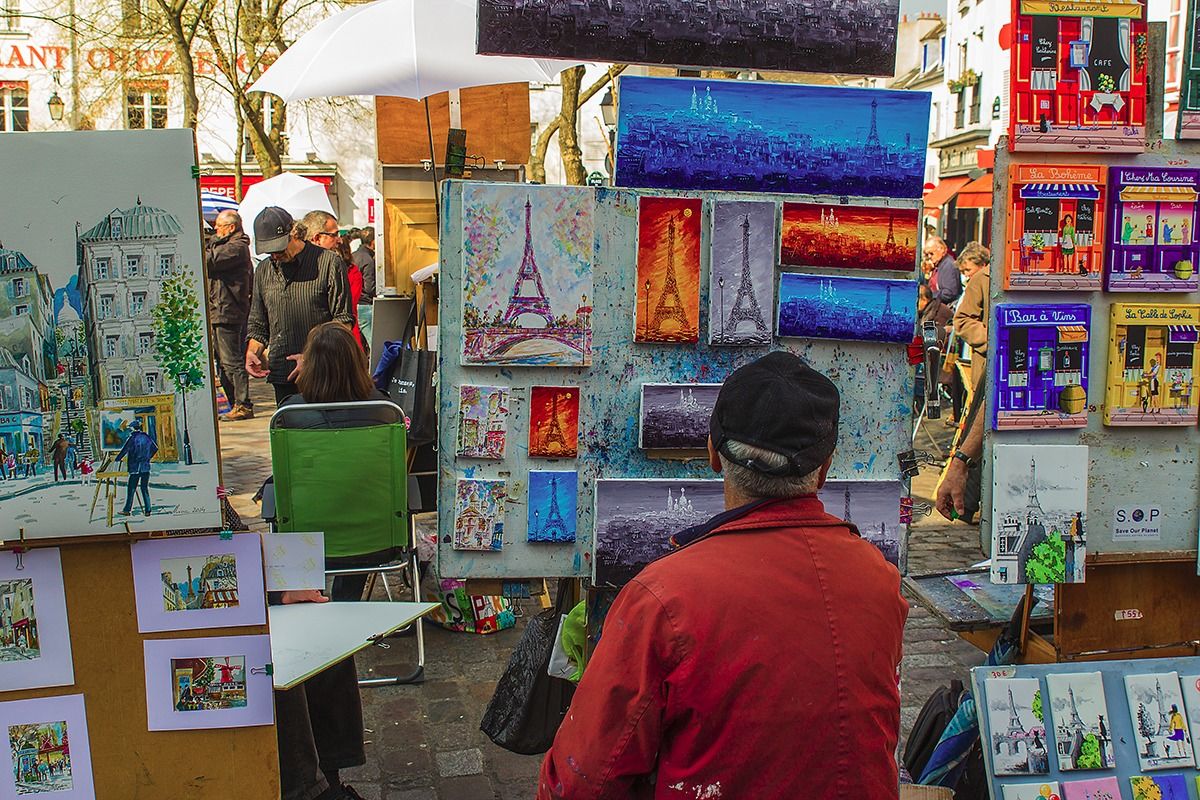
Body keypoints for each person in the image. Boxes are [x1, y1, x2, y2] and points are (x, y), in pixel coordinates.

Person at [537, 352, 907, 799]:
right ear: (824, 469)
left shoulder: (663, 597)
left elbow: (580, 782)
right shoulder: (880, 581)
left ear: (712, 452)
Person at [273, 323, 383, 800]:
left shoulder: (291, 417)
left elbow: (284, 494)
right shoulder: (382, 412)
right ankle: (334, 763)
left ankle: (324, 769)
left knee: (310, 632)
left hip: (309, 546)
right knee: (332, 632)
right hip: (370, 540)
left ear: (310, 367)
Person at [246, 207, 354, 405]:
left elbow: (343, 321)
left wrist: (311, 357)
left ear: (294, 232)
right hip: (283, 375)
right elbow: (258, 324)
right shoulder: (263, 270)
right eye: (269, 251)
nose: (275, 255)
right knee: (289, 432)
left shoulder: (329, 263)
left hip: (325, 373)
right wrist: (253, 352)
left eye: (279, 248)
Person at [206, 210, 256, 422]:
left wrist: (211, 241)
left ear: (232, 227)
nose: (216, 230)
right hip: (218, 309)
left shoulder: (238, 247)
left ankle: (242, 403)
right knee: (221, 361)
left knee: (231, 360)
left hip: (229, 309)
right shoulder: (225, 244)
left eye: (219, 226)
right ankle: (233, 402)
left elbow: (210, 261)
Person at [302, 210, 368, 353]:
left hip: (335, 348)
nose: (339, 240)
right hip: (310, 351)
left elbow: (345, 313)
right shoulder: (296, 269)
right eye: (334, 235)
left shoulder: (338, 266)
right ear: (317, 238)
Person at [952, 242, 992, 395]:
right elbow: (962, 320)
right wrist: (991, 340)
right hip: (986, 365)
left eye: (968, 270)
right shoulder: (980, 279)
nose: (965, 275)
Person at [116, 420, 158, 517]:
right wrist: (148, 457)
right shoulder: (147, 437)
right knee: (144, 488)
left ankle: (127, 510)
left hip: (135, 468)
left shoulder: (132, 438)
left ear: (132, 428)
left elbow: (124, 450)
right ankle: (148, 510)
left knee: (131, 489)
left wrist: (117, 459)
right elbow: (155, 448)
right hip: (145, 467)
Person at [350, 228, 376, 347]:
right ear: (373, 242)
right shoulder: (368, 260)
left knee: (357, 345)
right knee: (373, 344)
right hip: (365, 306)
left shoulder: (353, 256)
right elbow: (369, 287)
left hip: (354, 304)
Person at [924, 235, 962, 304]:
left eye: (931, 253)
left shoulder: (949, 265)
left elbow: (949, 293)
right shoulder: (938, 265)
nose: (929, 257)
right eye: (927, 254)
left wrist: (929, 295)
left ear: (941, 250)